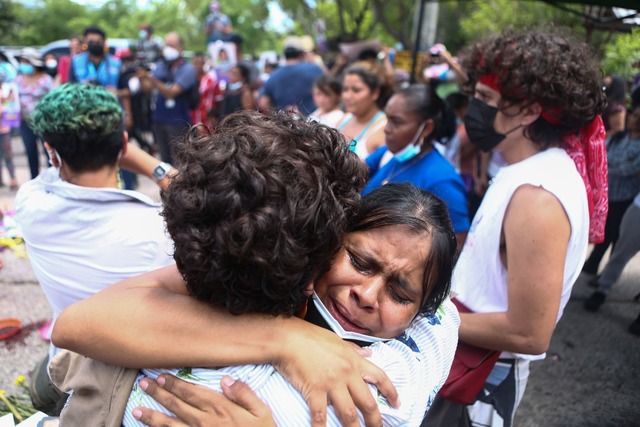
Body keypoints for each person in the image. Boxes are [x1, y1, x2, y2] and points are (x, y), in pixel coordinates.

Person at [52, 114, 459, 427]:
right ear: (318, 259)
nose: (367, 295)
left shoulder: (143, 340)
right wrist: (284, 337)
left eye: (400, 293)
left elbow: (73, 325)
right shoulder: (391, 371)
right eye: (359, 261)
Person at [425, 30, 607, 426]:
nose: (475, 108)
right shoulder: (522, 171)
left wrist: (424, 319)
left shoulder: (538, 196)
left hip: (479, 380)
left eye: (487, 100)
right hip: (462, 361)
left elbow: (529, 333)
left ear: (529, 111)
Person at [15, 83, 176, 415]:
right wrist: (145, 160)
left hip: (66, 364)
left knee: (43, 386)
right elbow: (201, 204)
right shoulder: (158, 231)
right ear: (123, 145)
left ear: (50, 151)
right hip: (140, 375)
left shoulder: (30, 203)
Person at [363, 84, 469, 252]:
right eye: (387, 119)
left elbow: (457, 243)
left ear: (426, 128)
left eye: (396, 122)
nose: (387, 128)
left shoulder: (441, 179)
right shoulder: (388, 155)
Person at [584, 104, 640, 312]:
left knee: (616, 238)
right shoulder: (618, 138)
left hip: (625, 198)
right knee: (607, 236)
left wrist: (608, 164)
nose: (635, 119)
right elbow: (601, 156)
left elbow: (630, 169)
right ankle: (601, 282)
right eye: (634, 115)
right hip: (611, 196)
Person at [136, 32, 197, 164]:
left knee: (179, 160)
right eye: (166, 45)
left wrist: (151, 78)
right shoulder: (161, 66)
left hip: (178, 121)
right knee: (164, 161)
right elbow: (147, 88)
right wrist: (141, 77)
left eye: (172, 45)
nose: (168, 48)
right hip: (159, 119)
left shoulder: (188, 69)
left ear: (181, 47)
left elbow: (172, 92)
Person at [335, 62, 391, 160]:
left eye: (356, 90)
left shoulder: (383, 128)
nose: (347, 96)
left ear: (375, 93)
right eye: (345, 89)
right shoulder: (345, 118)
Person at [14, 47, 55, 179]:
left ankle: (52, 179)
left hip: (43, 122)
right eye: (22, 61)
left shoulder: (46, 80)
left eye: (26, 61)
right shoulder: (18, 80)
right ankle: (34, 179)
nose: (23, 64)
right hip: (25, 122)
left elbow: (54, 99)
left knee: (48, 151)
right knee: (30, 152)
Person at [259, 36, 324, 116]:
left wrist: (278, 117)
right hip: (315, 124)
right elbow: (331, 85)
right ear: (301, 53)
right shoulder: (314, 68)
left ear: (285, 54)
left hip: (286, 125)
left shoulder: (273, 76)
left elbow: (263, 103)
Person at [190, 52, 223, 126]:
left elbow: (219, 101)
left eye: (200, 63)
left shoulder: (212, 81)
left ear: (204, 63)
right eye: (195, 63)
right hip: (191, 119)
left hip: (207, 120)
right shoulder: (187, 80)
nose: (197, 66)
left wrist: (214, 115)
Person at [602, 74, 627, 138]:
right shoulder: (604, 103)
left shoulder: (617, 109)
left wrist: (598, 136)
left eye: (607, 85)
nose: (604, 87)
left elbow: (617, 131)